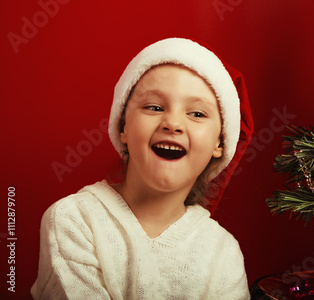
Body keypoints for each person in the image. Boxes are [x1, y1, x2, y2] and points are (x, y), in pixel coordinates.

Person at [31, 38, 254, 299]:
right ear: (123, 126)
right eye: (154, 107)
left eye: (197, 114)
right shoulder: (73, 219)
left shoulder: (223, 253)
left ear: (220, 142)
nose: (172, 123)